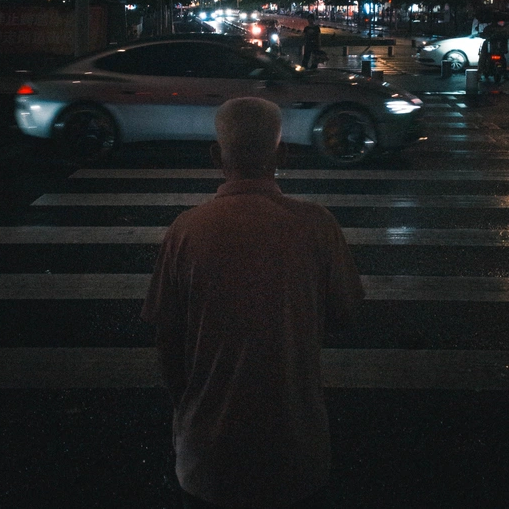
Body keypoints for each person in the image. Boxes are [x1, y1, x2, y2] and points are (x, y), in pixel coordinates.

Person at [142, 97, 364, 509]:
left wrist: (187, 410)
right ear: (282, 154)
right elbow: (346, 314)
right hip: (297, 456)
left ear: (216, 157)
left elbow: (167, 340)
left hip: (208, 459)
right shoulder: (318, 225)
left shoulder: (186, 230)